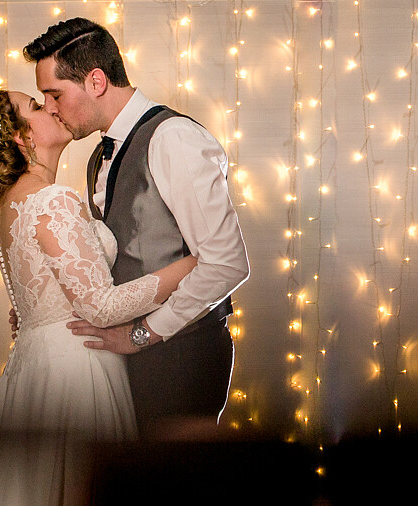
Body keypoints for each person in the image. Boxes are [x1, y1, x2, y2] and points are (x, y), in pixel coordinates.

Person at [0, 89, 198, 504]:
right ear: (23, 137)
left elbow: (35, 299)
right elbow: (99, 306)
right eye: (36, 106)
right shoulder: (51, 200)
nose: (50, 106)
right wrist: (196, 263)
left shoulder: (9, 207)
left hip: (31, 372)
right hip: (75, 371)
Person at [21, 17, 250, 434]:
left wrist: (142, 334)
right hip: (129, 358)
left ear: (95, 81)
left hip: (182, 355)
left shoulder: (174, 137)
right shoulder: (97, 157)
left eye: (54, 94)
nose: (50, 108)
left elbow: (227, 263)